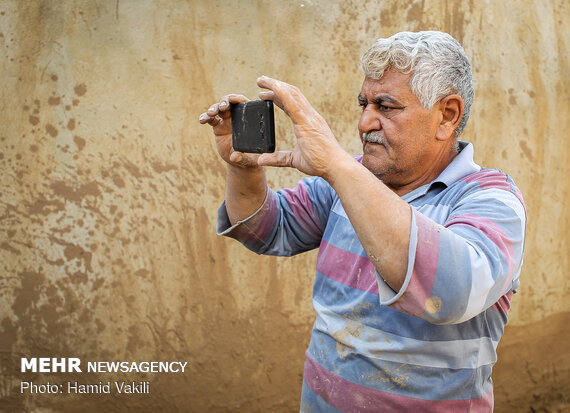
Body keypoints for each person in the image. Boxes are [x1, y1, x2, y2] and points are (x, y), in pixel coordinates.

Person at [199, 31, 526, 412]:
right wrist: (243, 168)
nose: (364, 122)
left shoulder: (490, 197)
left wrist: (336, 166)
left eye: (386, 107)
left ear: (446, 116)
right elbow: (266, 230)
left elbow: (448, 294)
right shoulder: (351, 178)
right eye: (363, 104)